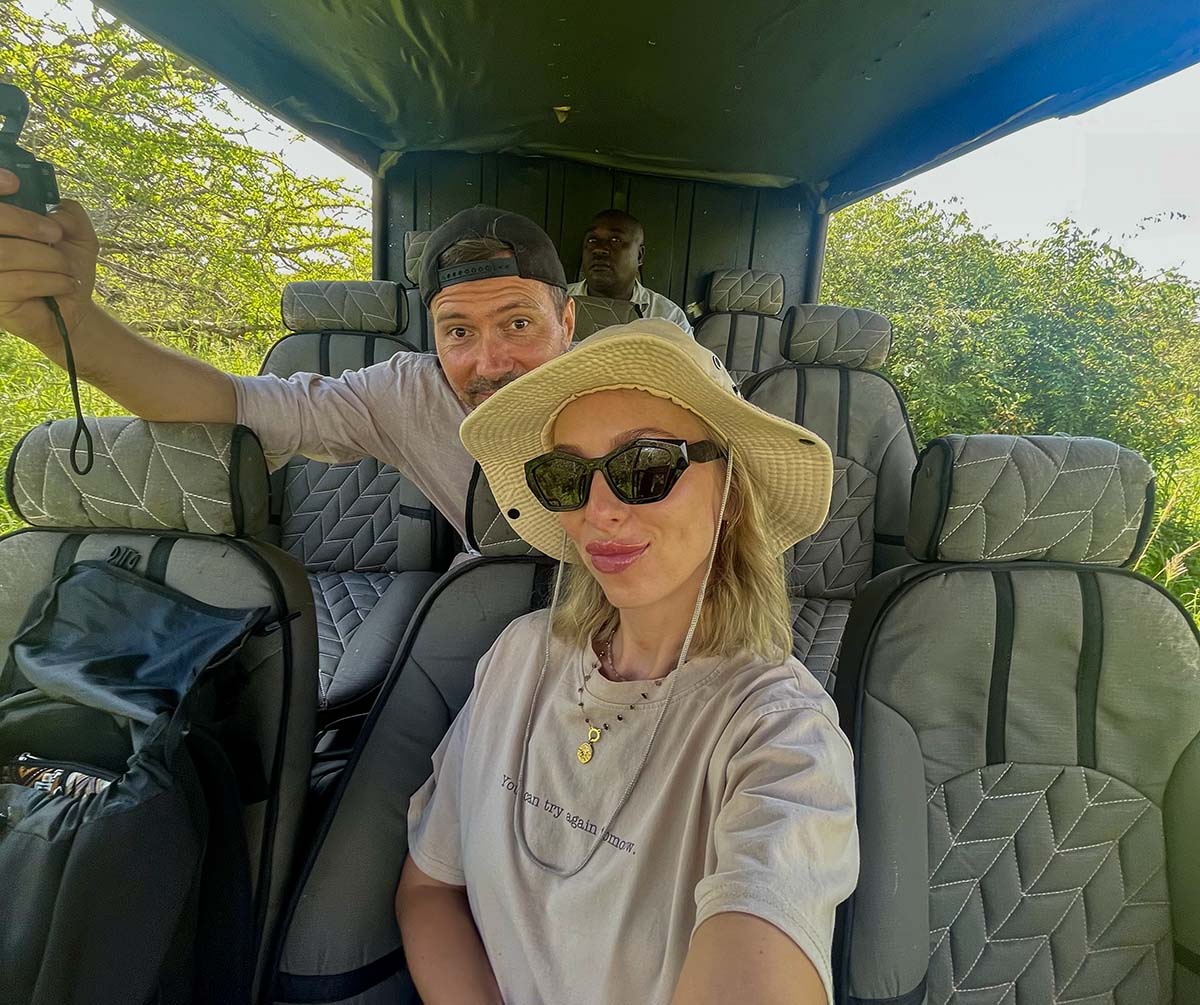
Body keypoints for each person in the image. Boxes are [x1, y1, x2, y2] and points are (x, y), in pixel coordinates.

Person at [396, 319, 858, 1005]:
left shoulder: (781, 734)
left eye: (645, 467)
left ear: (729, 496)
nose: (599, 510)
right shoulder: (519, 655)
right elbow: (430, 887)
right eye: (566, 476)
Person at [0, 180, 574, 545]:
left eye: (518, 324)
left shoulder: (620, 379)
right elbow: (234, 404)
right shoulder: (412, 394)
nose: (490, 363)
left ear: (567, 322)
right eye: (459, 331)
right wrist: (72, 328)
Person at [568, 208, 692, 332]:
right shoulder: (559, 302)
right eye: (592, 240)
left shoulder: (668, 318)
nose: (599, 249)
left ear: (639, 255)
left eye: (615, 240)